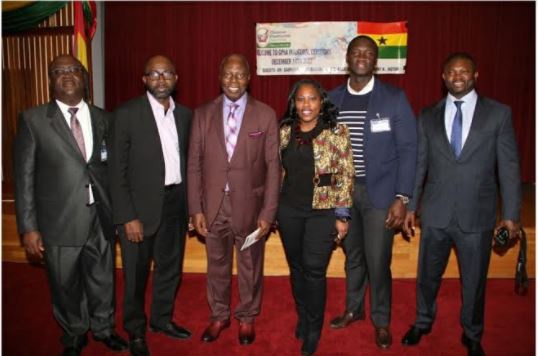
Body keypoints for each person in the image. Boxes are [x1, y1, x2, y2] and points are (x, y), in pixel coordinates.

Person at [401, 52, 521, 356]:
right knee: (427, 275)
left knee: (475, 281)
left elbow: (508, 166)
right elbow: (420, 165)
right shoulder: (428, 115)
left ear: (475, 75)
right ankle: (423, 321)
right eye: (451, 72)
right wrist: (411, 206)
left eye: (463, 71)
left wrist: (510, 215)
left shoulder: (498, 114)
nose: (457, 76)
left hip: (476, 214)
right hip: (436, 212)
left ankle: (472, 333)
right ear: (443, 77)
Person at [13, 54, 128, 356]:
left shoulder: (105, 118)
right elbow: (24, 178)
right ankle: (74, 332)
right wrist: (28, 227)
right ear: (50, 79)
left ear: (84, 78)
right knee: (65, 284)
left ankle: (104, 328)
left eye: (74, 70)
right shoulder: (33, 119)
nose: (67, 75)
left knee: (103, 277)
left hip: (100, 216)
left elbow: (112, 169)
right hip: (58, 220)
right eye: (59, 71)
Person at [328, 35, 418, 349]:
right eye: (356, 51)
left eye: (369, 52)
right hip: (344, 194)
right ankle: (354, 309)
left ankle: (381, 321)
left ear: (375, 61)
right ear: (348, 58)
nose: (362, 56)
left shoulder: (394, 98)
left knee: (378, 260)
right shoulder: (332, 98)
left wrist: (403, 197)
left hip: (381, 196)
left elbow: (409, 149)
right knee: (353, 257)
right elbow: (326, 150)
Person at [187, 54, 280, 345]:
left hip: (251, 207)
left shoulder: (265, 114)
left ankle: (247, 317)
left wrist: (268, 211)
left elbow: (274, 167)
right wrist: (195, 209)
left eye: (240, 74)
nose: (233, 80)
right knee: (217, 264)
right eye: (228, 74)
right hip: (213, 207)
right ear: (219, 77)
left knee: (251, 264)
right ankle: (219, 315)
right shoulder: (202, 114)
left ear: (249, 77)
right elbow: (194, 165)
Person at [109, 55, 192, 356]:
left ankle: (161, 320)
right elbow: (115, 170)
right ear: (144, 80)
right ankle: (135, 331)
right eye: (154, 74)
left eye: (167, 73)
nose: (161, 79)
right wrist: (126, 215)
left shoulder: (185, 115)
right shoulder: (127, 114)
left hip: (175, 205)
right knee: (136, 275)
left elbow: (189, 164)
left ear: (176, 78)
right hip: (138, 211)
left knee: (170, 269)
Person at [277, 79, 354, 355]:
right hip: (288, 211)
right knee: (297, 268)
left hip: (322, 212)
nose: (306, 104)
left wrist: (342, 215)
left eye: (311, 99)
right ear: (294, 103)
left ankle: (313, 328)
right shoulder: (285, 131)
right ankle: (302, 315)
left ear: (321, 102)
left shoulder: (336, 132)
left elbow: (345, 174)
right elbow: (276, 170)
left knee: (314, 270)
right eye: (300, 99)